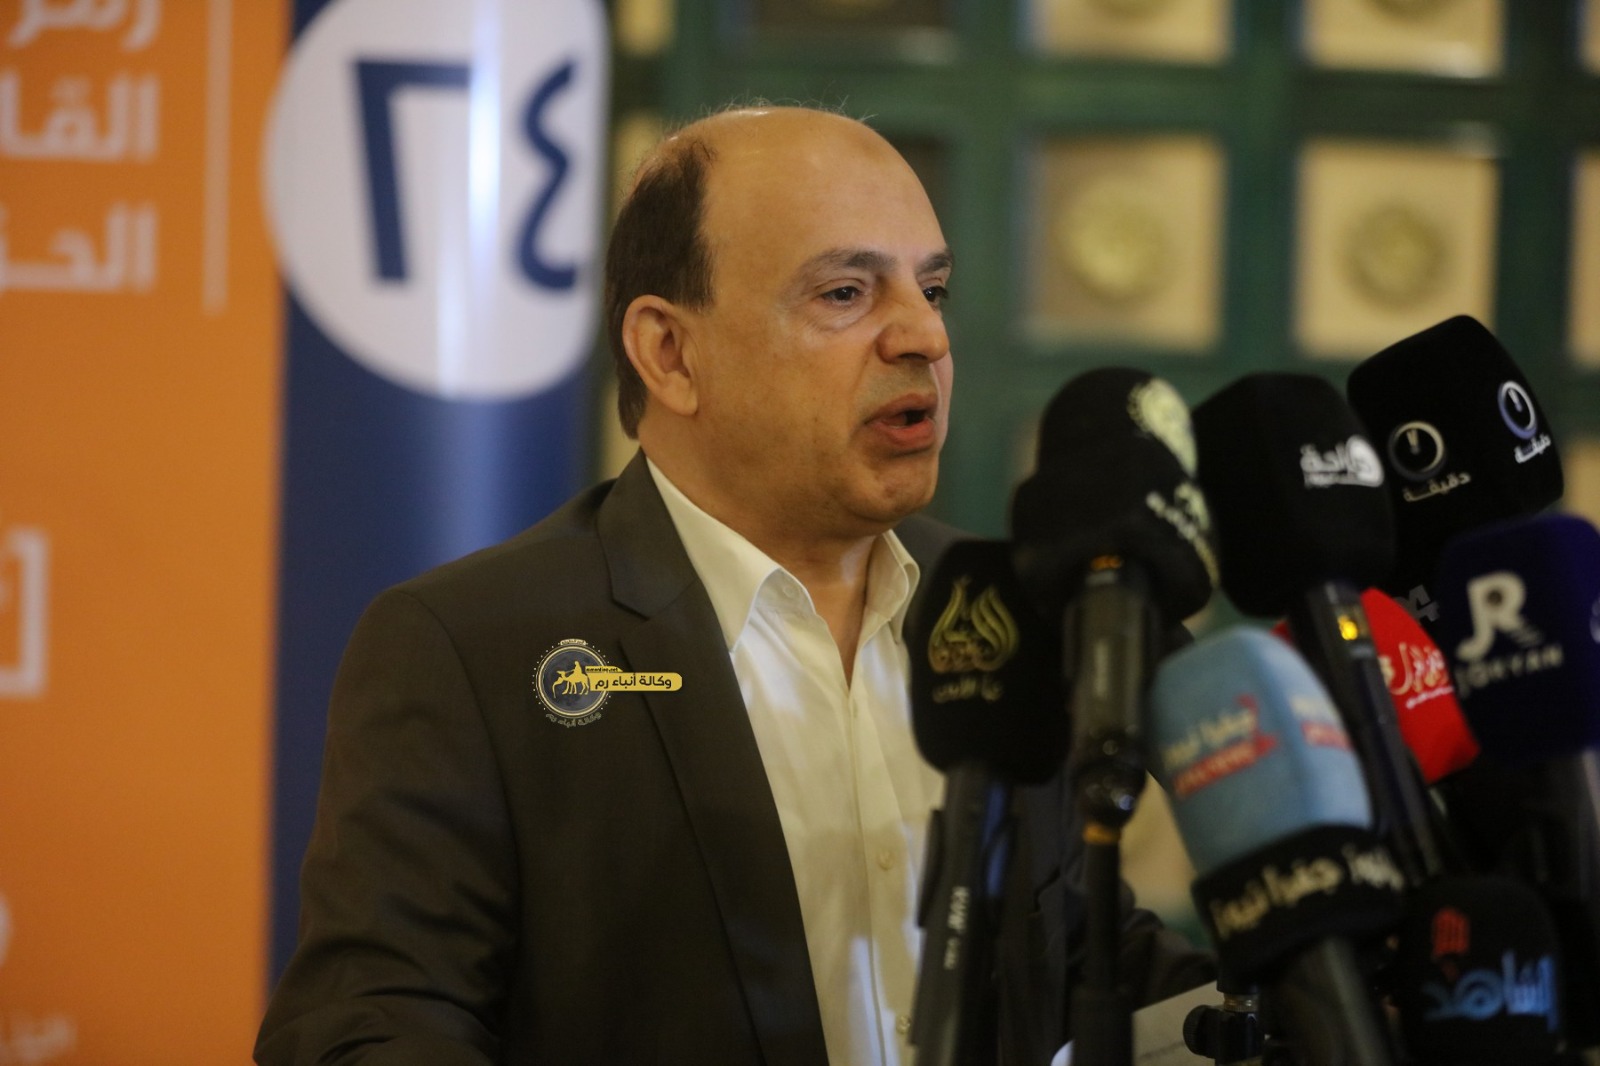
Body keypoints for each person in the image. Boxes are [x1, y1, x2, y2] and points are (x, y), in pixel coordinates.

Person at [255, 105, 1211, 1066]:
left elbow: (1076, 966)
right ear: (670, 353)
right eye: (846, 293)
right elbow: (369, 1028)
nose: (924, 335)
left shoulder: (1011, 610)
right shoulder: (471, 649)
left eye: (932, 289)